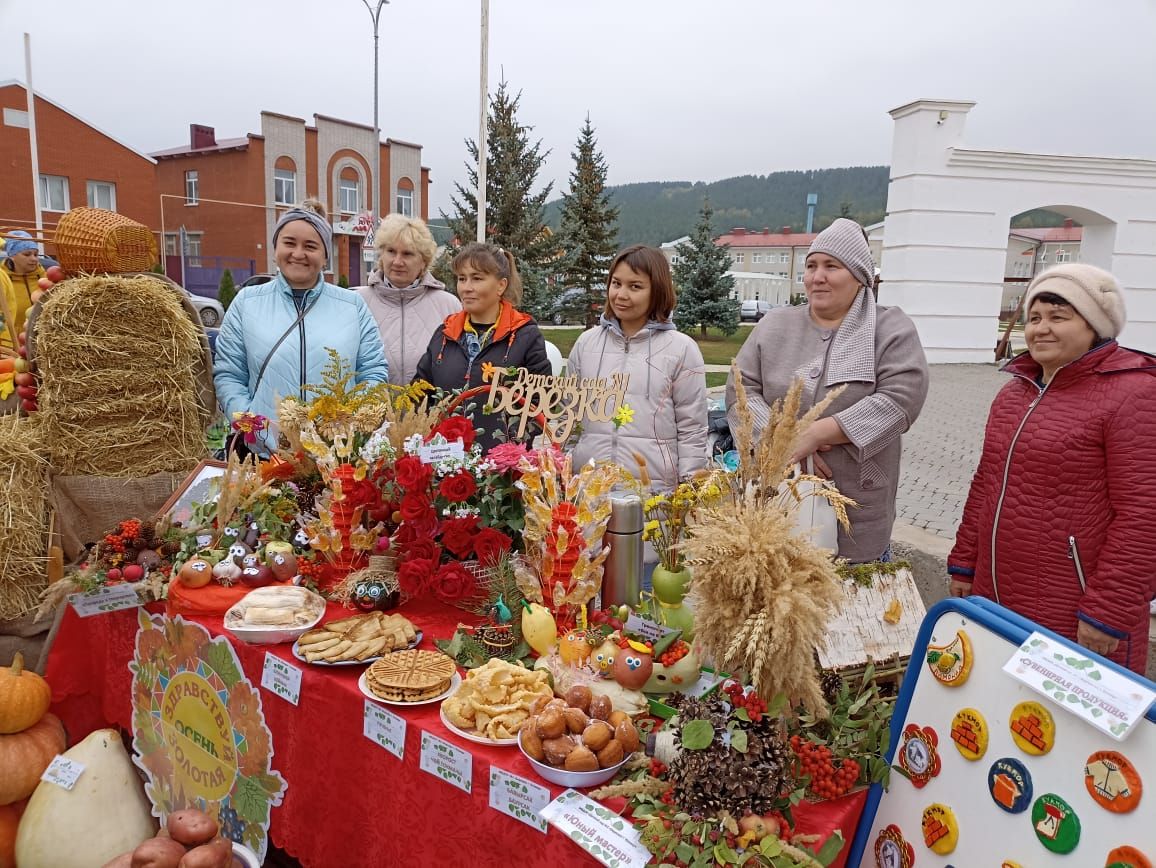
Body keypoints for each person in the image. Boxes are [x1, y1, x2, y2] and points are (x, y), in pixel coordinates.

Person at [949, 264, 1156, 673]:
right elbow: (987, 482)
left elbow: (1145, 512)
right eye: (1035, 318)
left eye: (1059, 317)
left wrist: (1108, 610)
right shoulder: (1014, 393)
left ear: (1095, 326)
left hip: (1078, 608)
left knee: (1069, 730)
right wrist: (965, 561)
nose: (1041, 329)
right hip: (998, 595)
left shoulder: (1136, 393)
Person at [727, 218, 928, 563]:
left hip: (858, 515)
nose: (817, 276)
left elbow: (901, 398)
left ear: (859, 275)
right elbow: (740, 390)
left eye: (831, 266)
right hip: (777, 507)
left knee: (856, 610)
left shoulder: (890, 327)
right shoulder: (775, 325)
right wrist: (783, 438)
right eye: (811, 266)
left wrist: (819, 432)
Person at [213, 200, 388, 456]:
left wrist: (356, 423)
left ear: (325, 255)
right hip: (264, 453)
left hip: (336, 455)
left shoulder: (352, 306)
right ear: (275, 248)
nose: (298, 253)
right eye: (289, 243)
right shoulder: (247, 303)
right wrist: (252, 426)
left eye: (310, 246)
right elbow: (230, 375)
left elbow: (372, 371)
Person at [567, 244, 708, 491]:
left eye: (635, 286)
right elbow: (568, 416)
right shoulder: (586, 344)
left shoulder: (681, 349)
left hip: (652, 496)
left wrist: (691, 489)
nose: (621, 294)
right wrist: (562, 467)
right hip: (589, 491)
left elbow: (692, 430)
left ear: (657, 291)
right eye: (616, 283)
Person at [413, 242, 550, 450]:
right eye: (461, 278)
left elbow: (540, 404)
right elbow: (419, 395)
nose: (466, 288)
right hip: (446, 468)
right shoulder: (445, 333)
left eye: (477, 278)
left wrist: (510, 449)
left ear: (501, 285)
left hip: (502, 472)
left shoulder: (525, 335)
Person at [355, 214, 461, 385]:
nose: (397, 261)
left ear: (423, 261)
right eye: (391, 251)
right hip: (369, 410)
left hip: (430, 410)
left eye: (407, 254)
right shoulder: (357, 302)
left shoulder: (449, 305)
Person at [3, 231, 44, 340]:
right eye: (27, 254)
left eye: (36, 254)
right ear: (12, 256)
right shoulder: (3, 280)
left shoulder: (45, 278)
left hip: (42, 339)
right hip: (13, 342)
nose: (34, 259)